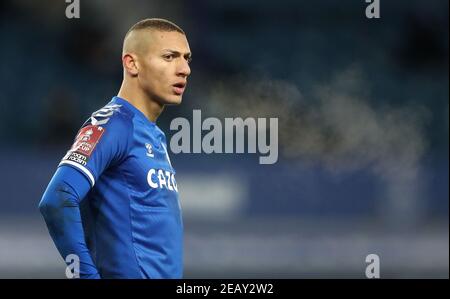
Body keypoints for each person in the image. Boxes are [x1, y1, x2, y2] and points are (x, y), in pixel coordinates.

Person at [39, 18, 192, 279]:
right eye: (169, 57)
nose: (184, 69)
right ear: (132, 64)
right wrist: (85, 275)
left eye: (187, 58)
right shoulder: (114, 123)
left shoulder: (153, 134)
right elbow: (57, 198)